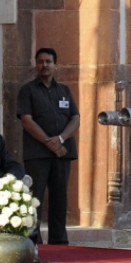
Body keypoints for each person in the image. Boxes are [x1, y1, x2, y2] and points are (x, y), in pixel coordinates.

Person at [16, 47, 79, 245]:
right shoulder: (28, 90)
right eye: (41, 61)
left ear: (55, 65)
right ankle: (34, 240)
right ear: (36, 65)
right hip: (37, 154)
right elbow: (27, 120)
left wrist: (60, 139)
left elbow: (75, 119)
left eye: (48, 61)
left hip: (63, 152)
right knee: (35, 199)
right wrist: (49, 143)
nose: (45, 65)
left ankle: (59, 242)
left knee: (60, 199)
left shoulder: (64, 91)